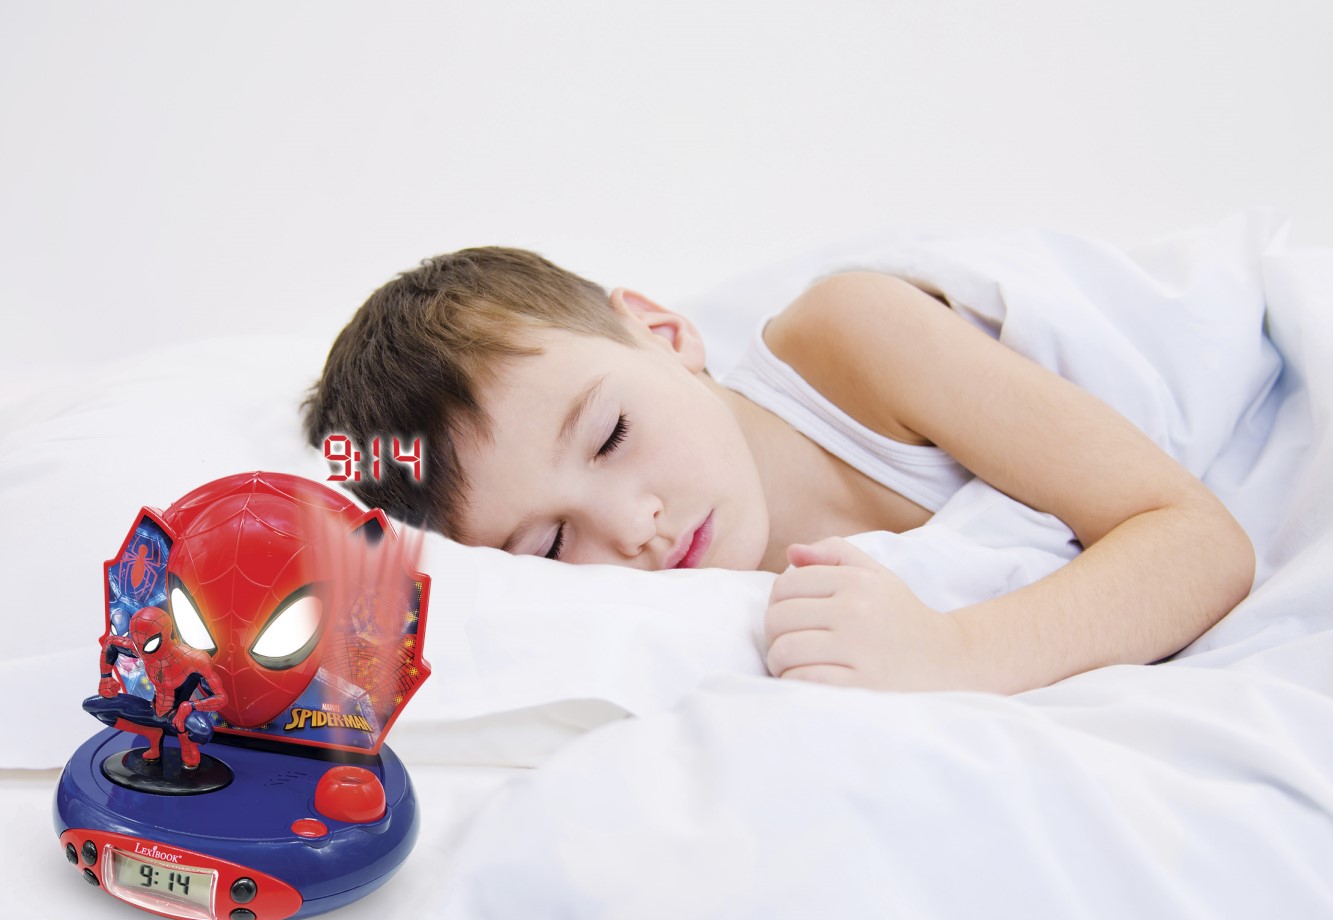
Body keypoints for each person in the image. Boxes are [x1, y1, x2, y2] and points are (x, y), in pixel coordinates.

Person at [302, 248, 1254, 695]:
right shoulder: (718, 626)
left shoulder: (853, 337)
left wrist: (956, 654)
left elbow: (1196, 540)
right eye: (551, 543)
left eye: (611, 435)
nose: (632, 525)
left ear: (662, 332)